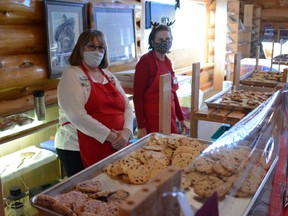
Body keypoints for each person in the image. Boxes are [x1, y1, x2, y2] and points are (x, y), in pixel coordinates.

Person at [55, 29, 134, 176]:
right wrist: (113, 137)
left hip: (114, 145)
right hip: (77, 148)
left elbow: (127, 106)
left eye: (101, 47)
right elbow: (77, 115)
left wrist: (126, 132)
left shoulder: (109, 76)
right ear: (80, 48)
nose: (96, 51)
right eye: (91, 46)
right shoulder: (72, 75)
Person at [133, 23, 188, 138]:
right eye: (161, 39)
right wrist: (141, 126)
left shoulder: (167, 62)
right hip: (153, 116)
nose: (165, 42)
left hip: (169, 115)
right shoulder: (145, 62)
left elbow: (172, 93)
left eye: (168, 39)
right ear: (153, 42)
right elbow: (137, 97)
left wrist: (181, 118)